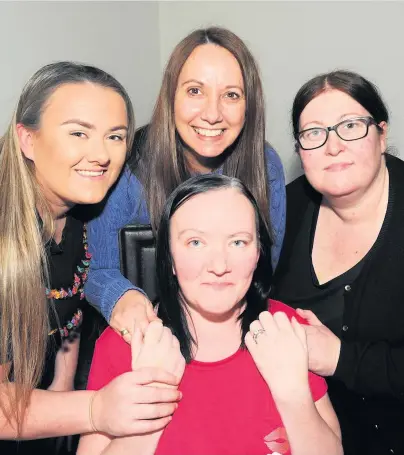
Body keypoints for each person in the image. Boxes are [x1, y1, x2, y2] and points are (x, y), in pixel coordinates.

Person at [78, 174, 342, 455]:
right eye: (195, 242)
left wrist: (294, 394)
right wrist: (151, 403)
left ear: (258, 254)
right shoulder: (127, 343)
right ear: (169, 258)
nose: (218, 265)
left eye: (238, 242)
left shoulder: (285, 330)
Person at [0, 62, 182, 454]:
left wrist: (63, 387)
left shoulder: (81, 211)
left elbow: (69, 301)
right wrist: (95, 409)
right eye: (78, 133)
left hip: (43, 412)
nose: (100, 154)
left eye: (115, 136)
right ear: (27, 140)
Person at [84, 26, 286, 342]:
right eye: (195, 91)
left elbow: (264, 272)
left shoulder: (266, 166)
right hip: (144, 342)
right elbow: (97, 271)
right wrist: (122, 298)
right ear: (171, 97)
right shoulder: (127, 166)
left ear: (249, 105)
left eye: (231, 95)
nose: (212, 114)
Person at [271, 70, 404, 455]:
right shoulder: (285, 210)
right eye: (314, 133)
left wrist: (339, 358)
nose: (333, 146)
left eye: (350, 126)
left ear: (381, 134)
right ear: (299, 151)